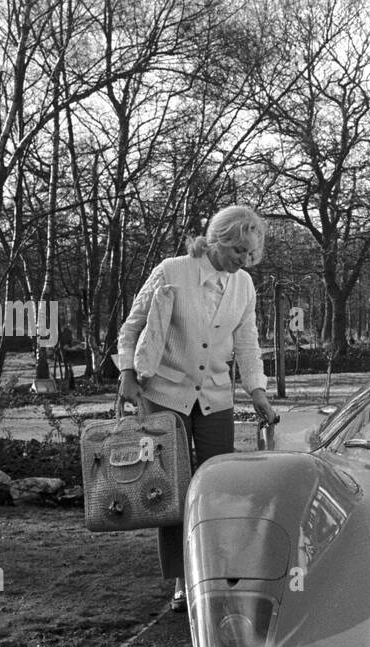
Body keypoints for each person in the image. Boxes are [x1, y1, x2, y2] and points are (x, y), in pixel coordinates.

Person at [117, 205, 277, 611]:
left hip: (215, 397)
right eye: (237, 250)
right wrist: (126, 373)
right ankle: (180, 581)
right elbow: (132, 327)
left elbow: (246, 344)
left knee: (216, 488)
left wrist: (257, 391)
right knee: (170, 490)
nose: (243, 260)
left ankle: (214, 571)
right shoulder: (172, 271)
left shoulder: (244, 286)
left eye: (249, 255)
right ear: (217, 239)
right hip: (164, 392)